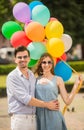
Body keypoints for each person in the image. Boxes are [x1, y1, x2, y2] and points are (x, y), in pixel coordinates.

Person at [6, 46, 59, 130]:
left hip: (34, 119)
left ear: (29, 59)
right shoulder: (12, 77)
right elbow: (26, 99)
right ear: (15, 59)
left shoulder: (31, 75)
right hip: (20, 120)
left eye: (25, 56)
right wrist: (47, 105)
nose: (23, 59)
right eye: (19, 57)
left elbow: (37, 93)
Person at [35, 52, 82, 130]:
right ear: (40, 64)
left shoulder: (58, 79)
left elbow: (67, 101)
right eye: (44, 62)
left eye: (49, 62)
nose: (47, 64)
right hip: (39, 117)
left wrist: (76, 85)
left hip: (54, 117)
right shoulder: (35, 80)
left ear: (53, 64)